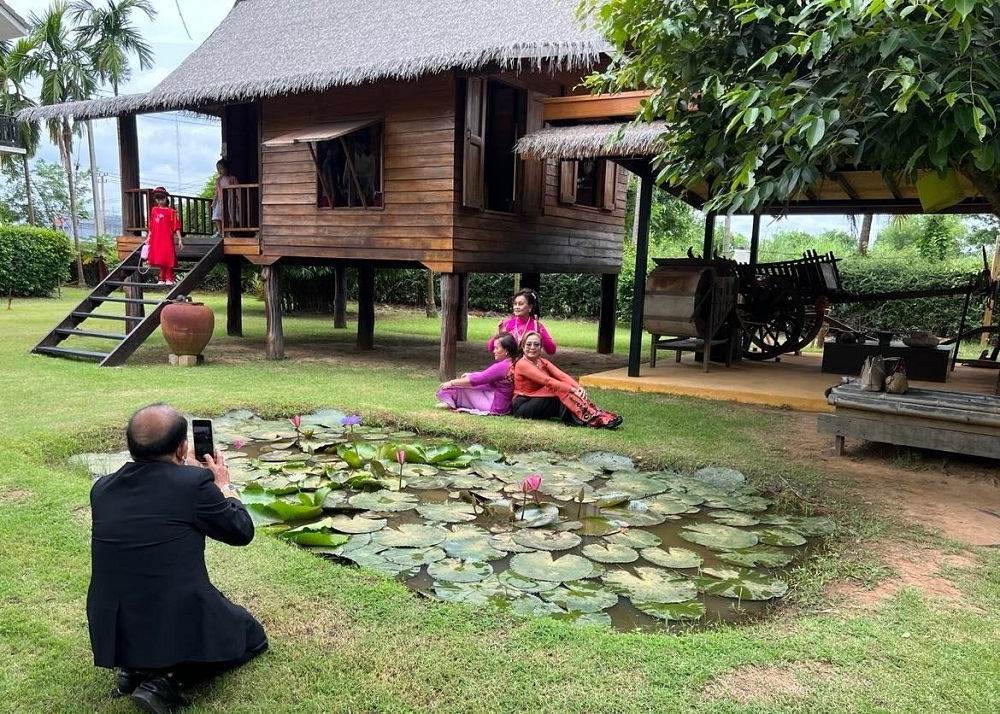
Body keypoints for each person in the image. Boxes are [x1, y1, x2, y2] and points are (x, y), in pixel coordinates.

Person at [88, 404, 267, 713]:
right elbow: (241, 531)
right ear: (184, 447)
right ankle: (165, 680)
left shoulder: (102, 489)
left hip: (113, 625)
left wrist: (190, 478)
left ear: (132, 446)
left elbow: (161, 497)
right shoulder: (195, 486)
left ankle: (134, 667)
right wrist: (223, 484)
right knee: (252, 636)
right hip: (174, 616)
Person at [512, 331, 622, 428]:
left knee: (560, 390)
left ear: (541, 347)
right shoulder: (522, 364)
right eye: (529, 344)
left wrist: (578, 387)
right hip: (523, 405)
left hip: (537, 398)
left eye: (536, 345)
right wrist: (571, 389)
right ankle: (587, 420)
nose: (532, 347)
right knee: (559, 390)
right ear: (522, 346)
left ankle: (594, 415)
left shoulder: (542, 361)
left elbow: (561, 375)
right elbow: (547, 381)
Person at [436, 332, 519, 415]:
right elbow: (489, 375)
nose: (494, 351)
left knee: (453, 387)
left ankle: (451, 402)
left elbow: (478, 379)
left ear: (506, 351)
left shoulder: (503, 366)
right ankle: (452, 401)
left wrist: (451, 383)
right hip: (502, 404)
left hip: (495, 405)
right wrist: (471, 375)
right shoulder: (512, 362)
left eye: (496, 348)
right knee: (464, 385)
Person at [488, 288, 557, 355]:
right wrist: (500, 335)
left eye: (520, 304)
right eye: (515, 304)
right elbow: (491, 348)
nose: (516, 307)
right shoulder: (508, 324)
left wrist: (540, 334)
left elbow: (551, 351)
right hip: (510, 364)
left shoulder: (536, 325)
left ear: (530, 307)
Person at [146, 187, 182, 286]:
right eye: (158, 199)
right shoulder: (154, 210)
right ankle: (162, 278)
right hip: (156, 237)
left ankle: (169, 277)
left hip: (167, 237)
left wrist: (180, 239)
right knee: (160, 257)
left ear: (166, 198)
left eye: (162, 199)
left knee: (168, 256)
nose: (160, 201)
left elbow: (176, 226)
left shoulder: (171, 211)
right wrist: (149, 236)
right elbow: (151, 225)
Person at [212, 159, 240, 236]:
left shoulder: (232, 178)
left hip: (230, 200)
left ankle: (229, 232)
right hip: (220, 200)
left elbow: (237, 189)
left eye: (221, 169)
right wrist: (214, 201)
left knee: (230, 215)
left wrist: (239, 199)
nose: (219, 171)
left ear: (226, 168)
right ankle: (220, 231)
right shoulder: (218, 180)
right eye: (218, 169)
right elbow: (217, 192)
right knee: (217, 215)